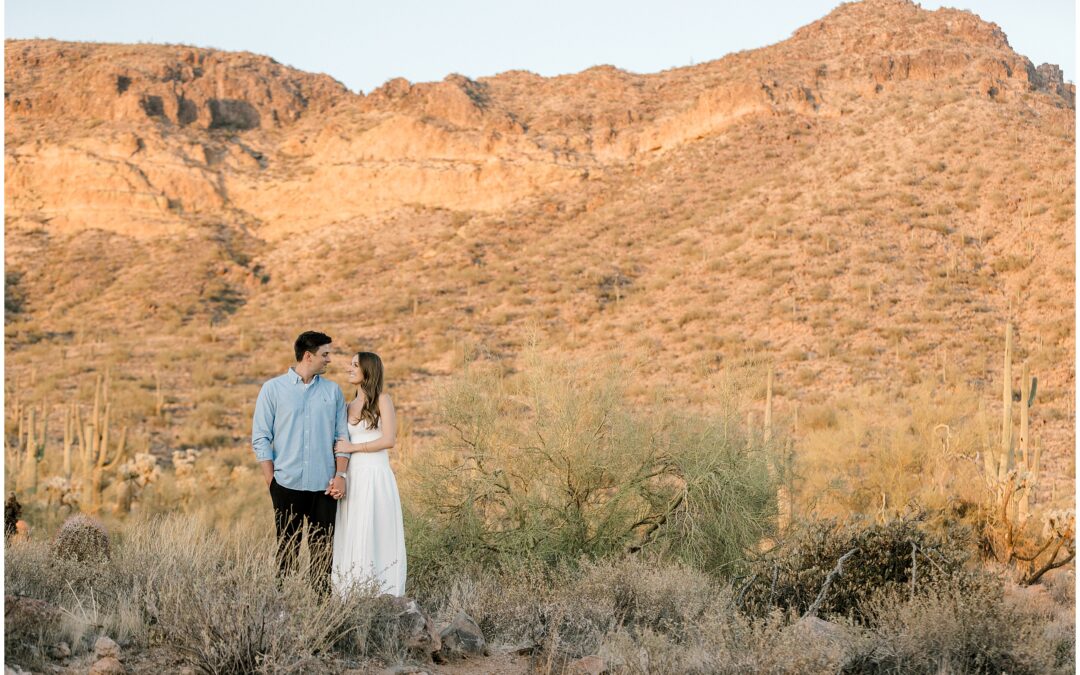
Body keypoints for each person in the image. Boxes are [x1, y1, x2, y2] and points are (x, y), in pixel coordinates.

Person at [252, 331, 348, 594]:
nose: (329, 359)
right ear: (308, 356)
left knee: (323, 557)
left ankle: (321, 618)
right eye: (325, 354)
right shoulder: (272, 389)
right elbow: (261, 438)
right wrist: (272, 482)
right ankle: (284, 613)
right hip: (286, 485)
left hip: (324, 487)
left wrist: (341, 475)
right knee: (286, 555)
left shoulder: (333, 391)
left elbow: (342, 437)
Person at [330, 351, 407, 597]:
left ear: (368, 370)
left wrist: (353, 447)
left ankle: (383, 593)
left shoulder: (382, 401)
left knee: (376, 529)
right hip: (354, 477)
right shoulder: (346, 405)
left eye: (355, 365)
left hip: (375, 475)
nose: (349, 368)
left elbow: (389, 440)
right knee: (353, 529)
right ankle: (351, 592)